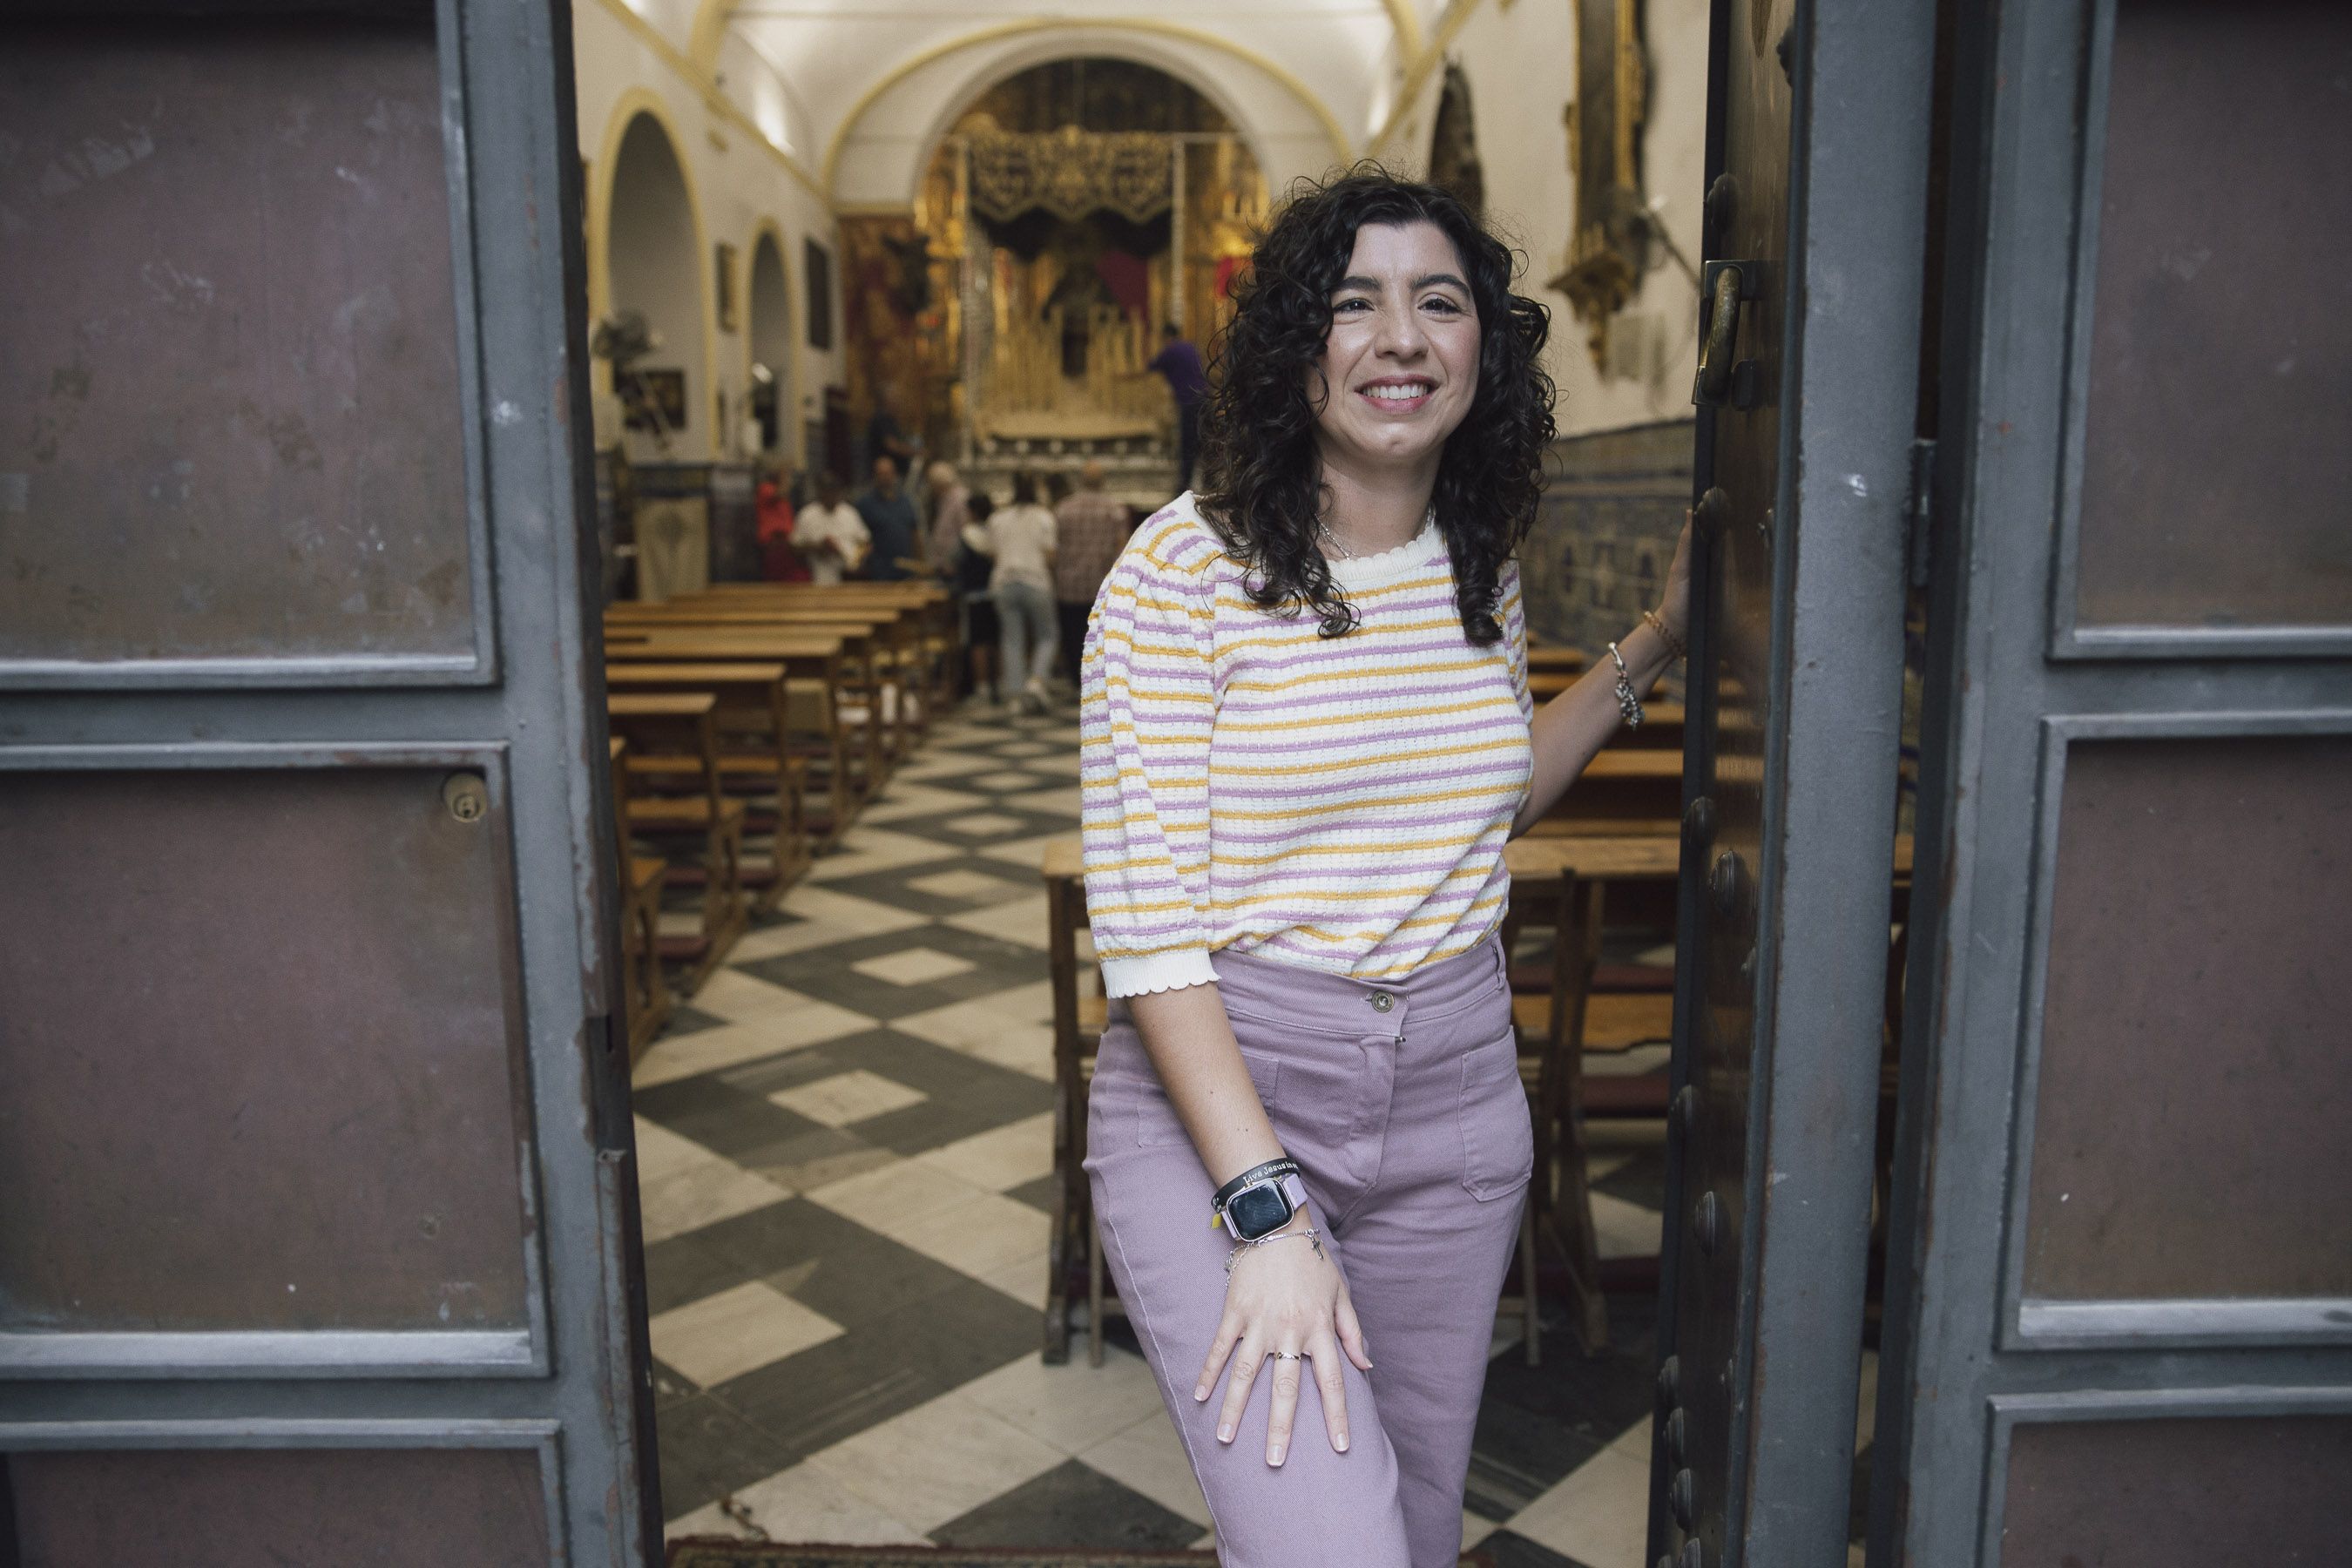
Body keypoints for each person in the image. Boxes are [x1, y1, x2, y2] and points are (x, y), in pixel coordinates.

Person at [1079, 170, 1693, 1568]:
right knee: (1328, 1549)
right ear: (1298, 350)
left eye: (1440, 301)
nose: (1401, 336)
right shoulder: (1180, 574)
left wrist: (1654, 640)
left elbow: (1476, 809)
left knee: (1406, 1535)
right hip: (1227, 1103)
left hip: (1456, 1110)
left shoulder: (1474, 559)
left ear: (1486, 344)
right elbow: (1153, 930)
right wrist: (1262, 1208)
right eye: (1353, 304)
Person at [984, 470, 1059, 713]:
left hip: (1005, 582)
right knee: (1047, 636)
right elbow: (1050, 556)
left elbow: (993, 554)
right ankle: (1037, 681)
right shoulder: (1044, 517)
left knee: (1012, 639)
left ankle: (1015, 695)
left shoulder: (998, 518)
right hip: (1036, 581)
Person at [1052, 460, 1129, 684]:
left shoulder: (1063, 509)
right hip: (1101, 583)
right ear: (1103, 481)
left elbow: (1055, 546)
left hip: (1068, 584)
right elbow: (1121, 548)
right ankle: (1096, 679)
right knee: (1098, 634)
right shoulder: (1115, 510)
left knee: (1073, 634)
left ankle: (1076, 680)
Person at [1143, 320, 1208, 491]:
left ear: (1166, 337)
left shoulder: (1171, 350)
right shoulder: (1190, 347)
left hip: (1189, 402)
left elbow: (1150, 367)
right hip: (1203, 400)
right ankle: (1209, 483)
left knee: (1187, 444)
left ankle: (1184, 486)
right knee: (1202, 442)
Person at [791, 470, 868, 585]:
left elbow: (865, 542)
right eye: (827, 491)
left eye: (834, 491)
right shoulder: (807, 514)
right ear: (820, 492)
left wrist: (855, 562)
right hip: (817, 579)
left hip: (848, 578)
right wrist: (818, 547)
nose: (831, 495)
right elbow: (794, 546)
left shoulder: (849, 513)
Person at [854, 455, 920, 581]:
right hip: (879, 573)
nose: (885, 477)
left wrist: (919, 564)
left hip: (906, 571)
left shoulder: (905, 502)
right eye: (881, 474)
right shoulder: (865, 504)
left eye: (888, 473)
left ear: (894, 475)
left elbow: (915, 533)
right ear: (874, 476)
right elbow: (858, 539)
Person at [754, 455, 809, 582]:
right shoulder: (765, 488)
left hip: (786, 544)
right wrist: (784, 473)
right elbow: (782, 493)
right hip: (774, 544)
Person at [924, 460, 970, 578]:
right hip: (942, 564)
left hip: (954, 565)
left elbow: (965, 532)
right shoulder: (943, 500)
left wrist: (955, 561)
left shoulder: (961, 499)